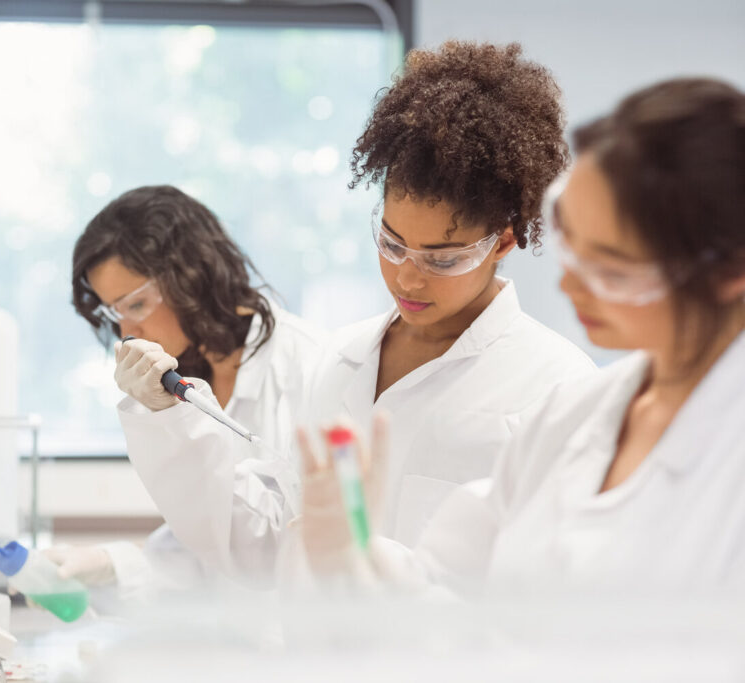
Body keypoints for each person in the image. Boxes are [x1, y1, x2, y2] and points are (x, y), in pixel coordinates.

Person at [115, 41, 596, 586]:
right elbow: (270, 543)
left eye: (444, 258)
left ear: (503, 241)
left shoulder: (558, 387)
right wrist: (169, 421)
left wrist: (372, 571)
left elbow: (541, 600)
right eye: (392, 243)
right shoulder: (339, 360)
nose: (408, 278)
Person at [299, 78, 745, 595]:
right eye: (571, 247)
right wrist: (355, 556)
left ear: (727, 274)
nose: (568, 284)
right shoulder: (578, 414)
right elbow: (444, 588)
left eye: (612, 269)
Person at [55, 184, 326, 602]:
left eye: (137, 305)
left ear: (192, 276)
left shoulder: (309, 366)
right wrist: (112, 565)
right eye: (115, 313)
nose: (127, 333)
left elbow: (274, 548)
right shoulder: (189, 379)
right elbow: (207, 544)